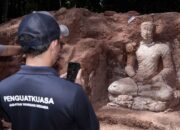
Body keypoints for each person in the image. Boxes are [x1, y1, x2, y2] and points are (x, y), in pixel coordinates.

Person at [0, 11, 99, 130]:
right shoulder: (73, 94)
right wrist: (79, 94)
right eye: (59, 43)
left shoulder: (3, 88)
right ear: (54, 44)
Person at [107, 21, 176, 112]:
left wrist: (156, 78)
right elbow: (129, 66)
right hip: (135, 81)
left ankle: (128, 100)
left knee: (167, 94)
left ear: (153, 32)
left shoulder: (162, 47)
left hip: (153, 83)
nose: (147, 33)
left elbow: (168, 68)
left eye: (149, 30)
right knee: (113, 87)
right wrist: (134, 76)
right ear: (140, 31)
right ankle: (149, 103)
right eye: (144, 30)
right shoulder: (135, 47)